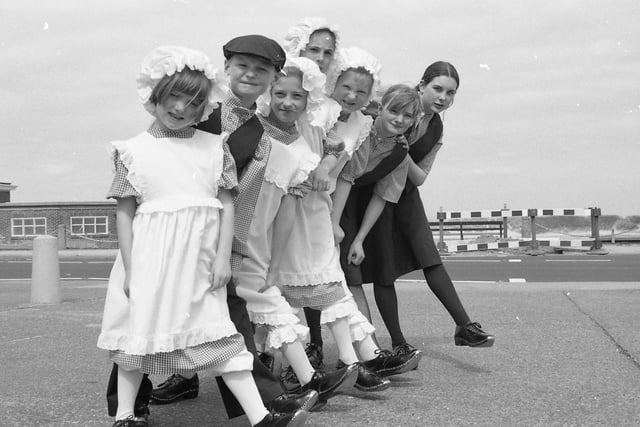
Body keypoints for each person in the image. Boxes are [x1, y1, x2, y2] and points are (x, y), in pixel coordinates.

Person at [97, 46, 307, 427]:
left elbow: (233, 202)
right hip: (151, 259)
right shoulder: (133, 151)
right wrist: (131, 269)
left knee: (220, 333)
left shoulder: (225, 143)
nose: (181, 108)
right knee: (138, 335)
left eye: (192, 102)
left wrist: (229, 255)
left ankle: (261, 415)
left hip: (200, 257)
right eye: (173, 97)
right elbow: (124, 212)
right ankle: (126, 414)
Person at [151, 34, 355, 412]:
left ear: (273, 75)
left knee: (232, 311)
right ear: (226, 67)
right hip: (176, 226)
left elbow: (247, 192)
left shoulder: (259, 132)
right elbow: (160, 151)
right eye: (242, 66)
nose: (249, 75)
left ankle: (266, 400)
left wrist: (236, 246)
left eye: (261, 69)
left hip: (222, 235)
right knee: (152, 310)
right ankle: (131, 404)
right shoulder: (204, 110)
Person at [277, 49, 422, 393]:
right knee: (289, 284)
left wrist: (332, 220)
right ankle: (303, 367)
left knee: (329, 280)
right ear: (333, 82)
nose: (353, 96)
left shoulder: (360, 122)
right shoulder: (317, 110)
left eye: (361, 90)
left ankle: (356, 359)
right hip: (289, 202)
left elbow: (345, 178)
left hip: (318, 207)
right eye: (347, 87)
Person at [356, 62, 495, 354]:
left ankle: (464, 325)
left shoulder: (436, 130)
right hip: (371, 188)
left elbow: (419, 177)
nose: (443, 98)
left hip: (405, 192)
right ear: (421, 85)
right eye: (437, 88)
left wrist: (400, 151)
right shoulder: (393, 99)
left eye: (451, 93)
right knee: (384, 267)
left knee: (429, 256)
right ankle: (397, 342)